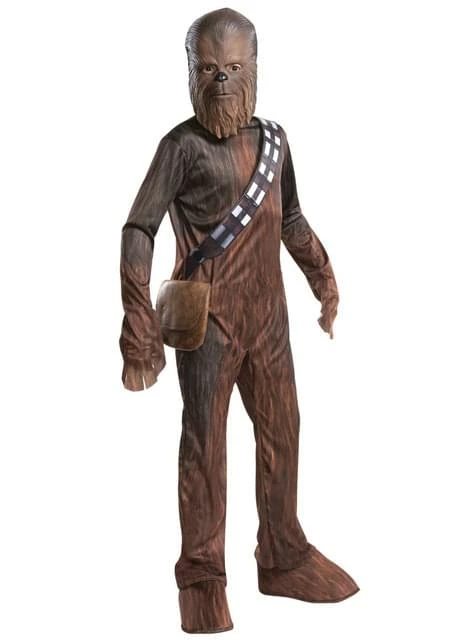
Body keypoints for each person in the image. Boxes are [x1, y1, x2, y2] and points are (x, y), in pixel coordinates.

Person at [119, 7, 359, 634]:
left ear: (255, 70)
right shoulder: (180, 147)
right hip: (207, 325)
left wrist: (323, 277)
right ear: (189, 73)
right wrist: (137, 319)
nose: (220, 79)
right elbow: (138, 228)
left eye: (232, 67)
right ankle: (201, 577)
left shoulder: (275, 143)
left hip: (269, 322)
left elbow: (292, 219)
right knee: (205, 446)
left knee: (285, 430)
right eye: (207, 69)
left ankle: (283, 554)